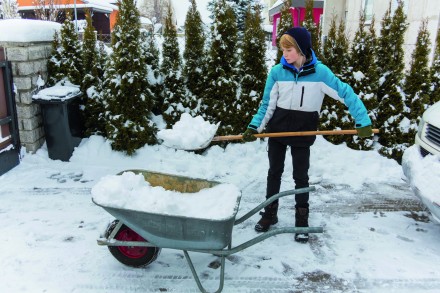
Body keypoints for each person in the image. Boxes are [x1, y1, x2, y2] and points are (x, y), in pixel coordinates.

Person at [242, 27, 373, 243]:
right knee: (274, 172)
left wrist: (362, 120)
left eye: (289, 49)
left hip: (303, 133)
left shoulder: (320, 74)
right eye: (282, 48)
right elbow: (267, 105)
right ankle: (269, 213)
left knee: (300, 177)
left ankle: (301, 219)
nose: (284, 53)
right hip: (277, 131)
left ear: (302, 49)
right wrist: (254, 127)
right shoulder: (276, 72)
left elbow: (345, 92)